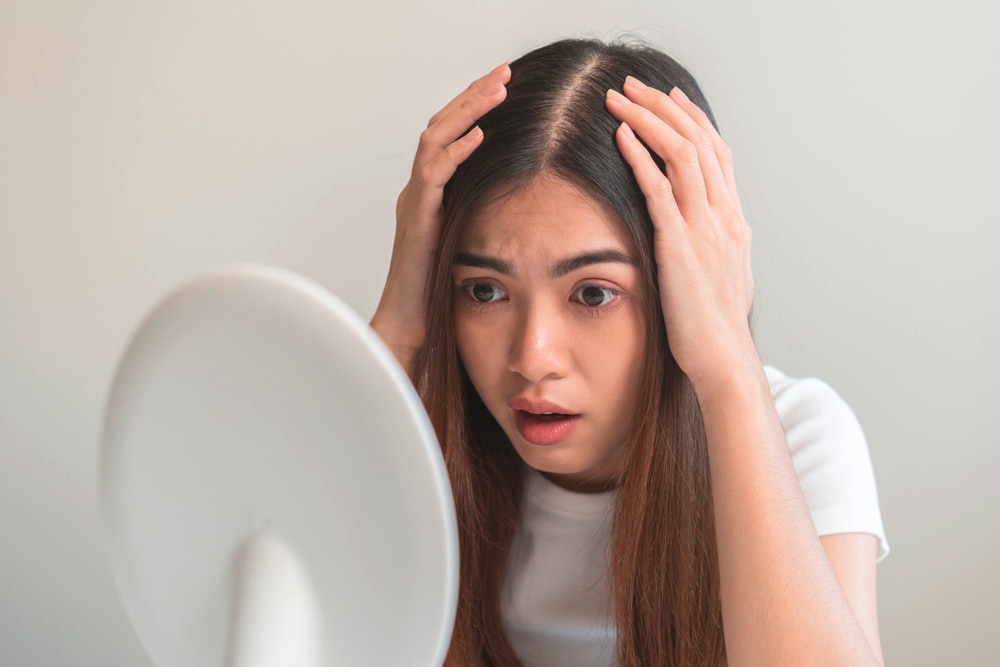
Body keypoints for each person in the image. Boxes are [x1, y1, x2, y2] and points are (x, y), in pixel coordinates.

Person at [371, 38, 888, 666]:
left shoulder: (799, 433)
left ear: (685, 282)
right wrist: (396, 334)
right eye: (484, 290)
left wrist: (727, 366)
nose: (533, 359)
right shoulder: (412, 440)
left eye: (592, 293)